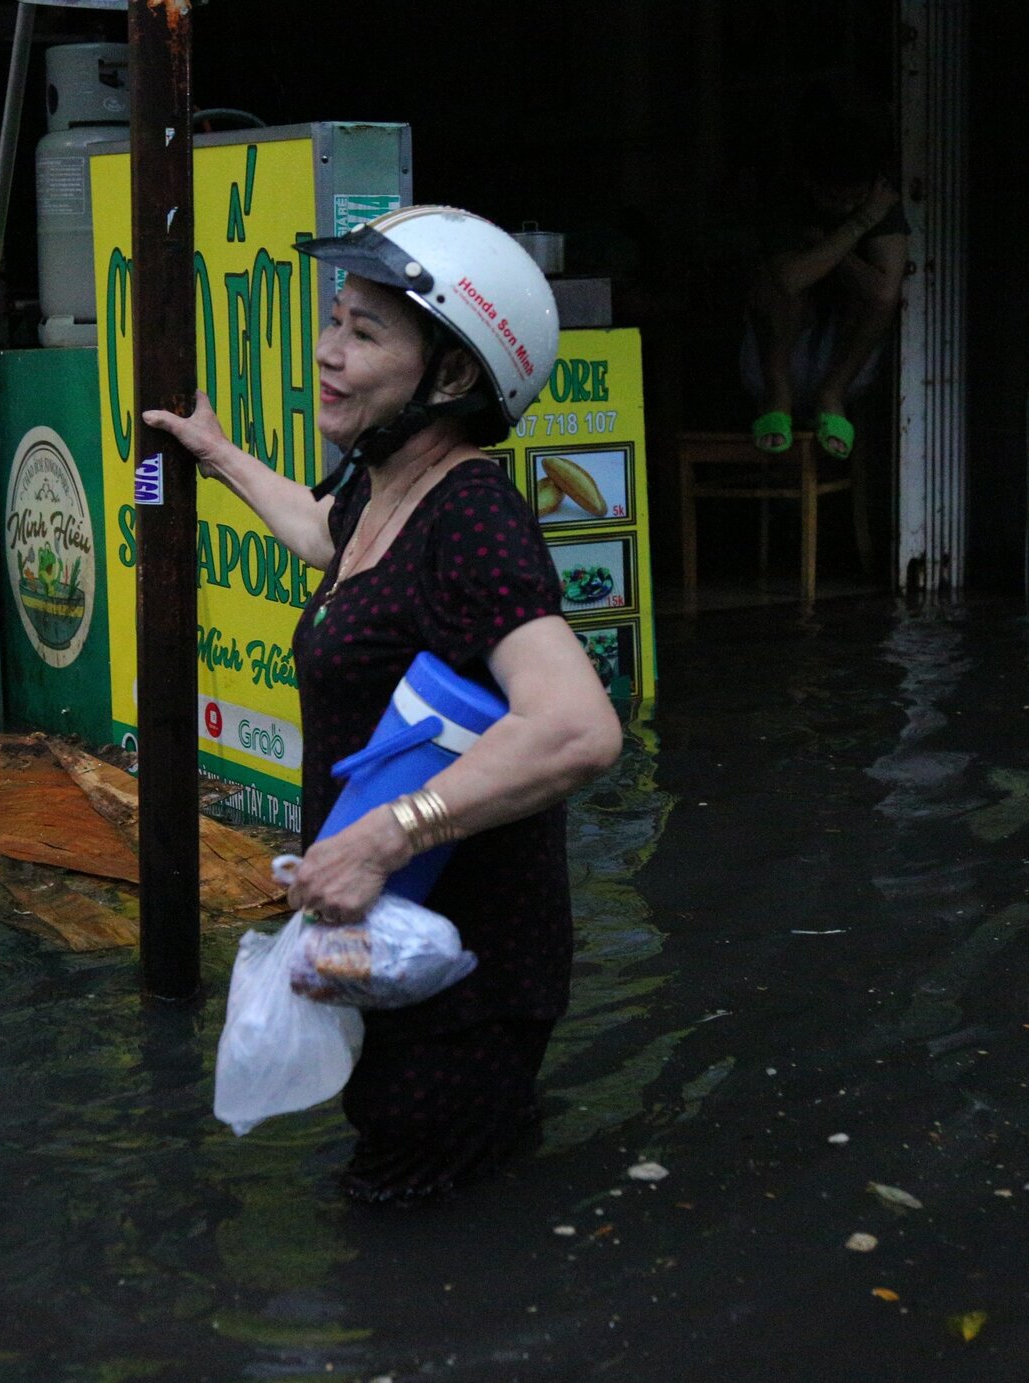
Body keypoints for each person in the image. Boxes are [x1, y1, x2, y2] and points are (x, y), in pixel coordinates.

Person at [143, 206, 623, 1203]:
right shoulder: (382, 488)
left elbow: (578, 728)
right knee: (454, 1191)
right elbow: (326, 537)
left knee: (417, 1243)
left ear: (451, 376)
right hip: (398, 951)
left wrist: (385, 837)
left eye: (365, 335)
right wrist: (221, 458)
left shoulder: (474, 517)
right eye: (334, 322)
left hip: (469, 981)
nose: (328, 354)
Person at [743, 118, 908, 460]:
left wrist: (828, 246)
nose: (847, 207)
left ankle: (832, 395)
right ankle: (778, 393)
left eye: (855, 199)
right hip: (779, 346)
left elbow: (882, 292)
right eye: (835, 198)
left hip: (845, 353)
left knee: (882, 297)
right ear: (810, 182)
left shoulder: (880, 199)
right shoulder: (787, 198)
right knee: (775, 283)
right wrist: (860, 224)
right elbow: (791, 279)